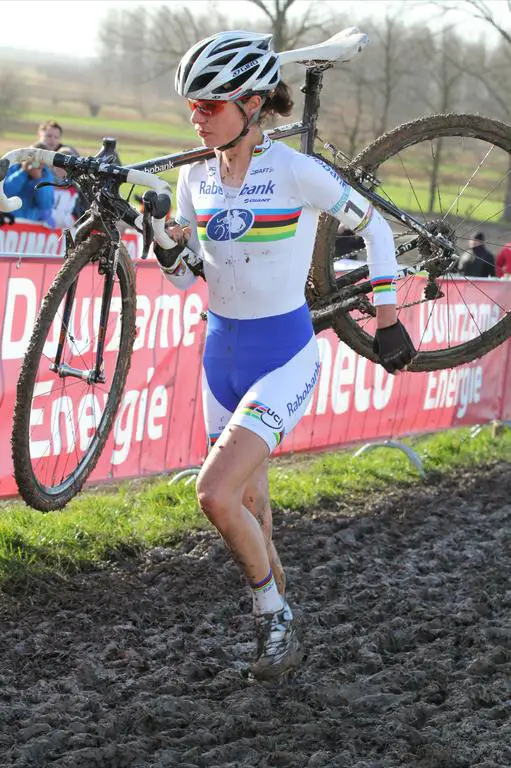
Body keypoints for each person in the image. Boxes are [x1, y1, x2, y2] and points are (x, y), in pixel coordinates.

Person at [153, 30, 416, 681]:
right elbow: (187, 278)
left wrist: (387, 320)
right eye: (191, 105)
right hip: (220, 356)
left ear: (250, 101)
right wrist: (162, 241)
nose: (196, 116)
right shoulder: (193, 175)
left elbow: (375, 226)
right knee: (252, 515)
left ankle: (272, 618)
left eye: (209, 105)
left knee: (214, 495)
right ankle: (284, 634)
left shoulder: (294, 171)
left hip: (282, 356)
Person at [4, 151, 55, 227]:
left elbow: (45, 204)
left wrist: (39, 180)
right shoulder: (11, 168)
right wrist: (23, 172)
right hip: (9, 220)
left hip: (32, 224)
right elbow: (5, 192)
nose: (36, 164)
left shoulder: (46, 175)